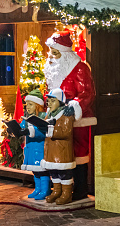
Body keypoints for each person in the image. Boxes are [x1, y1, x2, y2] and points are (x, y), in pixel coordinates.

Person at [44, 30, 96, 200]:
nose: (50, 57)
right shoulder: (52, 69)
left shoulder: (79, 68)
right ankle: (59, 188)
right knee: (57, 150)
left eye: (55, 52)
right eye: (50, 52)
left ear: (65, 53)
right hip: (56, 117)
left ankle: (80, 188)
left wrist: (74, 107)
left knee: (78, 152)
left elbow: (87, 93)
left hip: (77, 119)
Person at [40, 89, 75, 205]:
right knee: (54, 172)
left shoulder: (66, 114)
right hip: (51, 151)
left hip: (62, 150)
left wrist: (49, 130)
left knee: (64, 173)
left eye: (52, 101)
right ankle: (57, 191)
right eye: (48, 101)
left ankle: (66, 194)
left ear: (59, 102)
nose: (48, 103)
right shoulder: (49, 114)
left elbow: (65, 132)